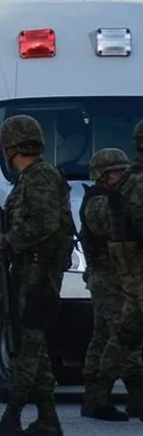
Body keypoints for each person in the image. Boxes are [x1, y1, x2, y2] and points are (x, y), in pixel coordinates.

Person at [0, 115, 75, 436]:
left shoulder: (40, 178)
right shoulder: (34, 178)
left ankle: (12, 417)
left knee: (27, 349)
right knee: (32, 347)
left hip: (39, 275)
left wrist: (6, 241)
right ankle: (48, 419)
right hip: (29, 271)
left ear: (10, 147)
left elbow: (45, 224)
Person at [80, 148, 143, 420]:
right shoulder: (96, 202)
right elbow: (107, 223)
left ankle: (97, 398)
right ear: (102, 176)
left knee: (105, 338)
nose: (122, 176)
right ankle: (129, 396)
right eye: (116, 172)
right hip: (106, 277)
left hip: (119, 276)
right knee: (122, 336)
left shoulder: (116, 197)